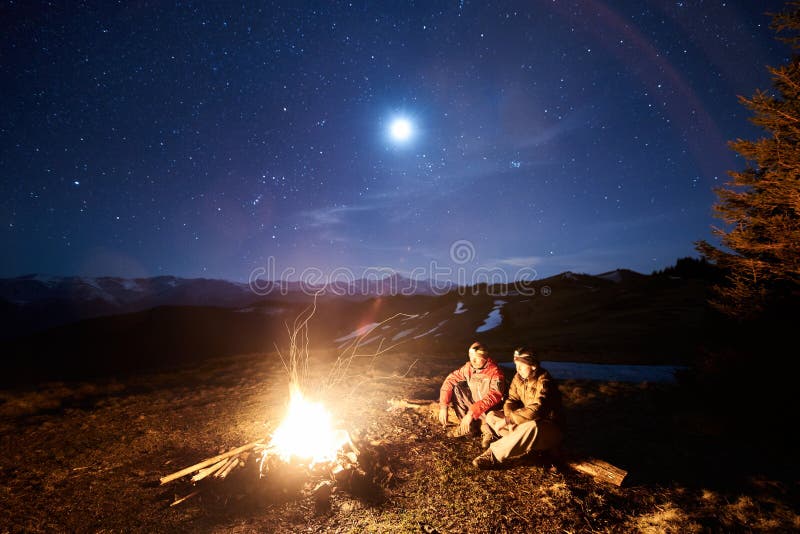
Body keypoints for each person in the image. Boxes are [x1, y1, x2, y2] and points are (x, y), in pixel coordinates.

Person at [473, 346, 563, 469]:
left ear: (533, 366)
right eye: (516, 364)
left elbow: (537, 409)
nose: (517, 368)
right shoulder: (519, 377)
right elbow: (511, 400)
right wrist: (509, 420)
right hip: (523, 422)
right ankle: (523, 444)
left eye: (521, 365)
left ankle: (493, 454)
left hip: (548, 428)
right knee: (492, 416)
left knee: (532, 427)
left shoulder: (545, 381)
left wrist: (508, 420)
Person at [438, 341, 505, 445]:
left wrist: (471, 413)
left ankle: (489, 432)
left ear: (485, 357)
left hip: (491, 409)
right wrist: (444, 406)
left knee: (491, 413)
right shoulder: (468, 368)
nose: (473, 360)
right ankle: (468, 427)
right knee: (458, 388)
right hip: (475, 408)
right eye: (471, 356)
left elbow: (494, 396)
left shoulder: (495, 372)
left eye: (477, 357)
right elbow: (450, 380)